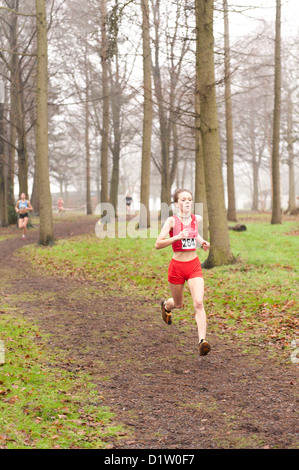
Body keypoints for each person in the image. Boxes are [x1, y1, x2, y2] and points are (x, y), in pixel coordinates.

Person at [155, 188, 211, 356]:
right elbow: (158, 244)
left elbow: (194, 235)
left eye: (189, 199)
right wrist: (176, 237)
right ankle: (166, 305)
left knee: (199, 302)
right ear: (177, 203)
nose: (187, 202)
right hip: (177, 267)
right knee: (178, 304)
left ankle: (202, 341)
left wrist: (203, 242)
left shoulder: (196, 219)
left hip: (193, 265)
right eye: (183, 199)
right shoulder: (172, 221)